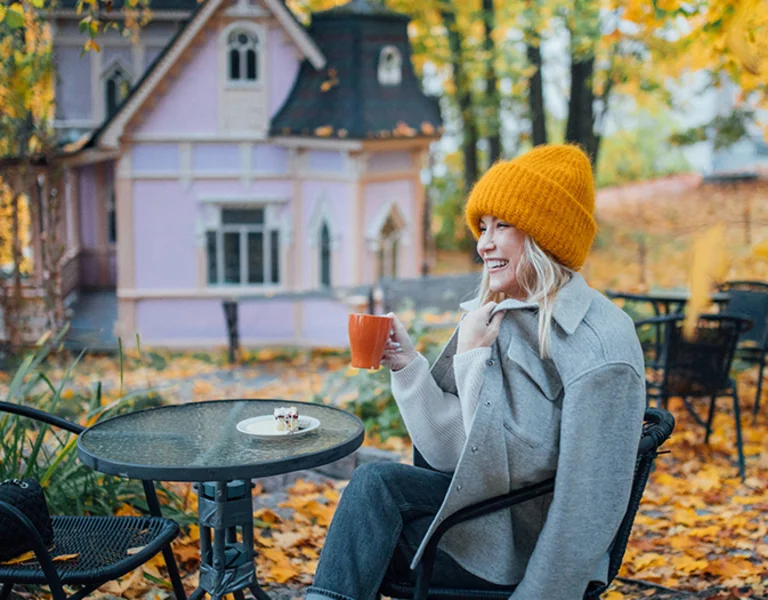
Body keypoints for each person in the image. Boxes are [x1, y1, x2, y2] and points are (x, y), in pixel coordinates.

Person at [305, 144, 647, 600]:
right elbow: (454, 456)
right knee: (373, 484)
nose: (484, 243)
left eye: (502, 225)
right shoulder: (500, 314)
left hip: (522, 553)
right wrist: (410, 368)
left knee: (366, 537)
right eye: (483, 227)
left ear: (545, 234)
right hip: (482, 513)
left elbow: (586, 512)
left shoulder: (600, 348)